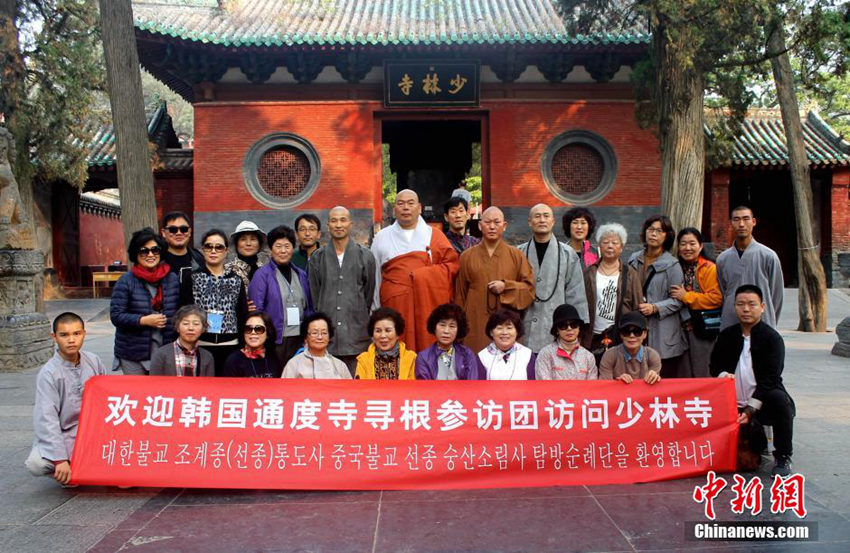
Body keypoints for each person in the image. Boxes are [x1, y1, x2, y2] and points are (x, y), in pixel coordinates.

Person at [710, 284, 795, 476]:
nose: (746, 309)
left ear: (762, 307)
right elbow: (714, 367)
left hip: (760, 401)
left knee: (781, 401)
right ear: (734, 307)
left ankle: (783, 457)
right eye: (740, 304)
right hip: (730, 401)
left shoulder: (772, 339)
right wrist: (723, 375)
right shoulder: (726, 336)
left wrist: (751, 408)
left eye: (751, 304)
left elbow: (771, 378)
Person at [371, 189, 459, 351]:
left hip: (426, 305)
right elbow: (375, 277)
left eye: (410, 203)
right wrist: (376, 312)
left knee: (427, 345)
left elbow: (452, 268)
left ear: (419, 208)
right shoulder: (381, 238)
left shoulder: (435, 235)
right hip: (394, 304)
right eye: (401, 203)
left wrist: (423, 276)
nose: (406, 207)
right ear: (394, 209)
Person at [25, 313, 107, 485]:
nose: (71, 340)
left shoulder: (93, 361)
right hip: (65, 434)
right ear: (54, 337)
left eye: (76, 334)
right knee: (36, 464)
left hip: (93, 431)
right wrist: (59, 459)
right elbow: (46, 418)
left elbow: (108, 398)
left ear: (84, 334)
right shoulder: (48, 374)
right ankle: (69, 469)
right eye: (64, 335)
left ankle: (87, 467)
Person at [455, 206, 535, 352]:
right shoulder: (466, 256)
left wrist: (506, 287)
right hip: (475, 319)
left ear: (504, 226)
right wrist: (459, 327)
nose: (492, 226)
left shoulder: (516, 255)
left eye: (497, 222)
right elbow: (460, 295)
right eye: (487, 222)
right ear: (480, 225)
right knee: (476, 364)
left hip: (506, 322)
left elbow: (529, 290)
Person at [308, 206, 376, 375]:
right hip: (326, 338)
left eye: (343, 220)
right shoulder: (317, 257)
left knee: (356, 389)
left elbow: (368, 294)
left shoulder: (365, 256)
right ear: (328, 225)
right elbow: (315, 296)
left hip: (356, 335)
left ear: (350, 224)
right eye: (334, 220)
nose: (338, 224)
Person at [517, 204, 588, 352]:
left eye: (546, 216)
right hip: (525, 330)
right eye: (537, 216)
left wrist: (575, 330)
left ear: (553, 221)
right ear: (529, 222)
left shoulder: (568, 254)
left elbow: (576, 295)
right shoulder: (518, 253)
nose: (542, 220)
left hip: (557, 329)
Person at [110, 227, 180, 374]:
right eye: (144, 251)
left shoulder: (171, 279)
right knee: (138, 394)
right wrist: (143, 320)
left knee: (161, 394)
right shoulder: (126, 281)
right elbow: (116, 316)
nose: (150, 255)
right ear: (136, 254)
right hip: (133, 352)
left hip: (165, 349)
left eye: (155, 250)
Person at [179, 229, 248, 374]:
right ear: (202, 250)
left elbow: (242, 313)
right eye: (208, 246)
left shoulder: (236, 280)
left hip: (231, 345)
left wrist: (243, 344)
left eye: (219, 247)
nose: (213, 251)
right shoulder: (192, 278)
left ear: (226, 251)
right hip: (200, 345)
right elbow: (184, 312)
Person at [627, 215, 688, 378]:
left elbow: (678, 300)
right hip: (637, 330)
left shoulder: (673, 264)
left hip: (663, 332)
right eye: (650, 229)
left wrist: (655, 307)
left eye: (659, 231)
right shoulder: (633, 259)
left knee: (663, 382)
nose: (653, 234)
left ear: (667, 235)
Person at [249, 225, 314, 366]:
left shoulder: (301, 274)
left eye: (287, 246)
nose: (283, 251)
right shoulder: (262, 275)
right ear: (271, 249)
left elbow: (308, 307)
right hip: (275, 340)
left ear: (293, 248)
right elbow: (256, 311)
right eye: (278, 246)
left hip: (299, 339)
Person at [716, 205, 784, 330]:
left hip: (762, 321)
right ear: (731, 223)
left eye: (746, 219)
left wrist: (768, 317)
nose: (741, 224)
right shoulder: (722, 259)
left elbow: (776, 296)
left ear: (753, 222)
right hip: (731, 321)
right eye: (736, 219)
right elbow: (723, 292)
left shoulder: (768, 256)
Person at [582, 223, 642, 360]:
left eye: (615, 243)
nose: (610, 246)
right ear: (599, 246)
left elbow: (637, 305)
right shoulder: (589, 272)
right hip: (593, 335)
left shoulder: (630, 274)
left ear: (621, 248)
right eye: (605, 242)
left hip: (620, 334)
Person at [671, 228, 723, 378]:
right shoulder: (675, 267)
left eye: (692, 243)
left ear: (700, 246)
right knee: (683, 373)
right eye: (683, 244)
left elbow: (716, 298)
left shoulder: (709, 268)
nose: (687, 248)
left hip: (702, 329)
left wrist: (687, 296)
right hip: (679, 330)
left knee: (702, 370)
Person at [415, 303, 485, 380]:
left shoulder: (467, 355)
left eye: (452, 326)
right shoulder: (423, 357)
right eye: (442, 325)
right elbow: (424, 388)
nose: (446, 331)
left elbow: (472, 385)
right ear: (434, 328)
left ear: (458, 330)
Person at [535, 304, 597, 380]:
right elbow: (544, 385)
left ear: (579, 328)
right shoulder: (545, 354)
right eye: (563, 325)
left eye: (573, 324)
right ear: (557, 330)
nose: (569, 328)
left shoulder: (588, 357)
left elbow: (592, 387)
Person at [150, 305, 215, 377]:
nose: (191, 328)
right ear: (177, 327)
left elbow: (208, 385)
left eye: (196, 324)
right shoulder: (161, 354)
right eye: (185, 323)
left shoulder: (207, 357)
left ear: (203, 329)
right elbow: (154, 384)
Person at [599, 312, 662, 385]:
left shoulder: (652, 355)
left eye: (637, 332)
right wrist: (617, 383)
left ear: (645, 334)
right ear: (621, 334)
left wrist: (654, 377)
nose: (632, 336)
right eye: (626, 331)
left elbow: (654, 391)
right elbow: (604, 387)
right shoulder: (610, 355)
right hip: (618, 395)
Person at [282, 313, 352, 379]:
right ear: (306, 338)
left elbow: (350, 389)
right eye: (314, 333)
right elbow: (283, 389)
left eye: (324, 333)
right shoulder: (294, 364)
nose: (320, 337)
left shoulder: (339, 365)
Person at [355, 307, 416, 380]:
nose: (383, 336)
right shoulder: (363, 360)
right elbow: (360, 388)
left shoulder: (411, 358)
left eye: (388, 330)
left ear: (397, 334)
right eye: (378, 331)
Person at [477, 308, 536, 380]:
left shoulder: (527, 355)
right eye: (499, 328)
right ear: (491, 332)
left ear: (517, 331)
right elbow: (479, 387)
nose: (504, 332)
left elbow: (532, 385)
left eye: (509, 328)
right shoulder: (482, 356)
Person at [223, 311, 282, 378]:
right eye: (248, 329)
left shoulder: (274, 358)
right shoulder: (233, 361)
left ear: (267, 333)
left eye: (259, 329)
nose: (253, 332)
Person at [160, 211, 204, 286]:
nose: (179, 233)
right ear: (164, 233)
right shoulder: (157, 260)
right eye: (173, 229)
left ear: (189, 232)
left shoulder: (199, 259)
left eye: (184, 229)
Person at [225, 220, 269, 292]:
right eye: (243, 239)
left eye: (253, 239)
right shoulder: (227, 270)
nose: (248, 243)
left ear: (259, 244)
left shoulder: (266, 271)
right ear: (236, 244)